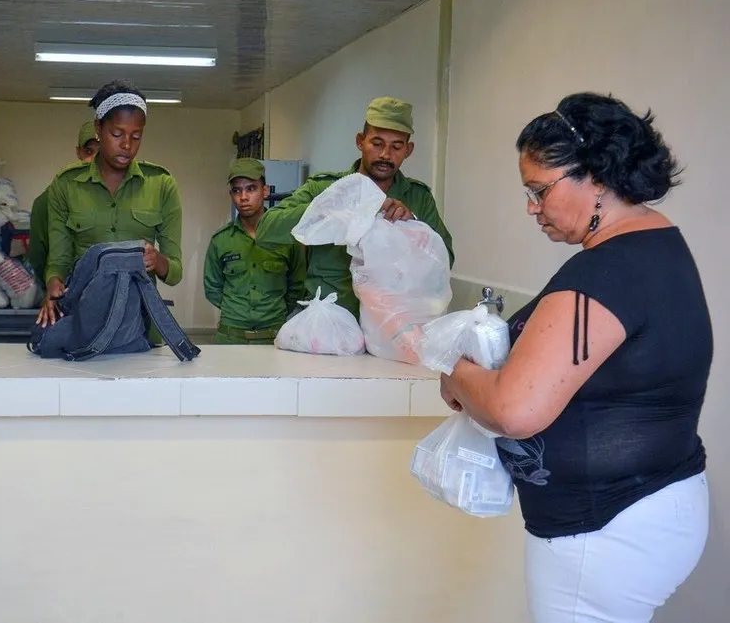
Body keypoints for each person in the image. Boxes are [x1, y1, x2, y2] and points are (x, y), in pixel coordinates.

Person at [439, 93, 711, 623]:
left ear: (598, 176)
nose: (531, 207)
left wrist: (456, 373)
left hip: (604, 531)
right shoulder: (654, 247)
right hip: (646, 509)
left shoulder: (606, 274)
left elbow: (514, 411)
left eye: (540, 190)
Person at [256, 96, 454, 317]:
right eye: (377, 143)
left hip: (391, 328)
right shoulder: (325, 188)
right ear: (360, 141)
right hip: (328, 324)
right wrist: (334, 207)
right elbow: (267, 230)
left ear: (408, 150)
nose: (385, 155)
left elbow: (444, 260)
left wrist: (413, 226)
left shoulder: (419, 199)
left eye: (396, 147)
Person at [38, 80, 183, 327]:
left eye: (136, 136)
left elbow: (175, 272)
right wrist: (54, 282)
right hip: (83, 321)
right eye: (117, 134)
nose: (127, 145)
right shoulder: (67, 184)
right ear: (98, 127)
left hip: (139, 324)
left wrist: (157, 261)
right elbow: (58, 259)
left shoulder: (161, 184)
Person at [204, 158, 305, 344]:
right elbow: (212, 288)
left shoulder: (288, 238)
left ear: (265, 191)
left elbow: (297, 286)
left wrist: (273, 311)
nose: (243, 197)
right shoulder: (221, 240)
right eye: (237, 190)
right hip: (230, 339)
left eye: (251, 188)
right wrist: (237, 311)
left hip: (273, 338)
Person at [27, 120, 100, 283]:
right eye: (89, 151)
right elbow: (37, 257)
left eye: (101, 152)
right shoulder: (48, 199)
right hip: (66, 293)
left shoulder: (117, 196)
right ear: (78, 152)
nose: (94, 159)